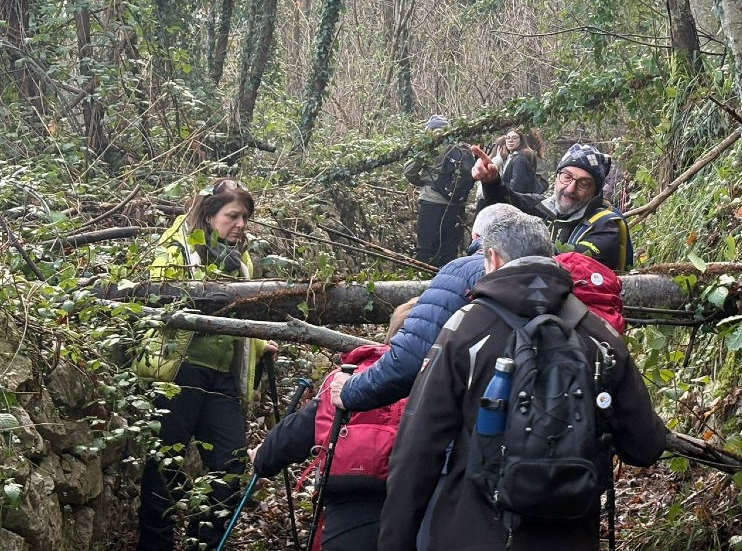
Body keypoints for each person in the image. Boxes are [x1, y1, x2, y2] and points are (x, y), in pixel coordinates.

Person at [377, 206, 667, 551]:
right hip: (571, 535)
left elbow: (417, 450)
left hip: (472, 531)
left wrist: (395, 541)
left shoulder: (464, 329)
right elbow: (646, 446)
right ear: (551, 257)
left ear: (493, 258)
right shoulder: (598, 333)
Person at [134, 179, 278, 551]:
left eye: (245, 217)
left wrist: (260, 343)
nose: (241, 224)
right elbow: (160, 293)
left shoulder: (241, 260)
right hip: (178, 370)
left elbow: (241, 316)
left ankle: (205, 543)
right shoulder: (177, 246)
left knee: (231, 464)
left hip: (221, 376)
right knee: (166, 464)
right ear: (209, 215)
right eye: (233, 216)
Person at [250, 298, 418, 551]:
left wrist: (261, 458)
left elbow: (289, 438)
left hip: (347, 511)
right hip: (421, 511)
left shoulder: (348, 378)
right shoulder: (445, 380)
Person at [328, 203, 513, 413]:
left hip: (470, 413)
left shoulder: (460, 271)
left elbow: (410, 360)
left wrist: (350, 391)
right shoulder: (544, 274)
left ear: (475, 236)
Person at [471, 142, 633, 271]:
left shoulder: (606, 225)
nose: (571, 189)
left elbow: (575, 260)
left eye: (584, 183)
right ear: (556, 177)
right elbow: (507, 204)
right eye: (566, 177)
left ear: (596, 192)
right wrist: (491, 182)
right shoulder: (543, 206)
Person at [404, 115, 476, 267]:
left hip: (431, 200)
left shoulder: (429, 147)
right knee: (449, 246)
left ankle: (422, 274)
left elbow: (409, 170)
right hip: (456, 202)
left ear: (429, 130)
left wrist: (420, 182)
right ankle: (447, 274)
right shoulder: (461, 147)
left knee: (425, 244)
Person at [498, 129, 541, 194]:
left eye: (514, 138)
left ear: (521, 140)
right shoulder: (513, 156)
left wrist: (506, 195)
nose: (510, 140)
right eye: (508, 138)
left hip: (516, 197)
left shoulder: (519, 158)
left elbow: (517, 184)